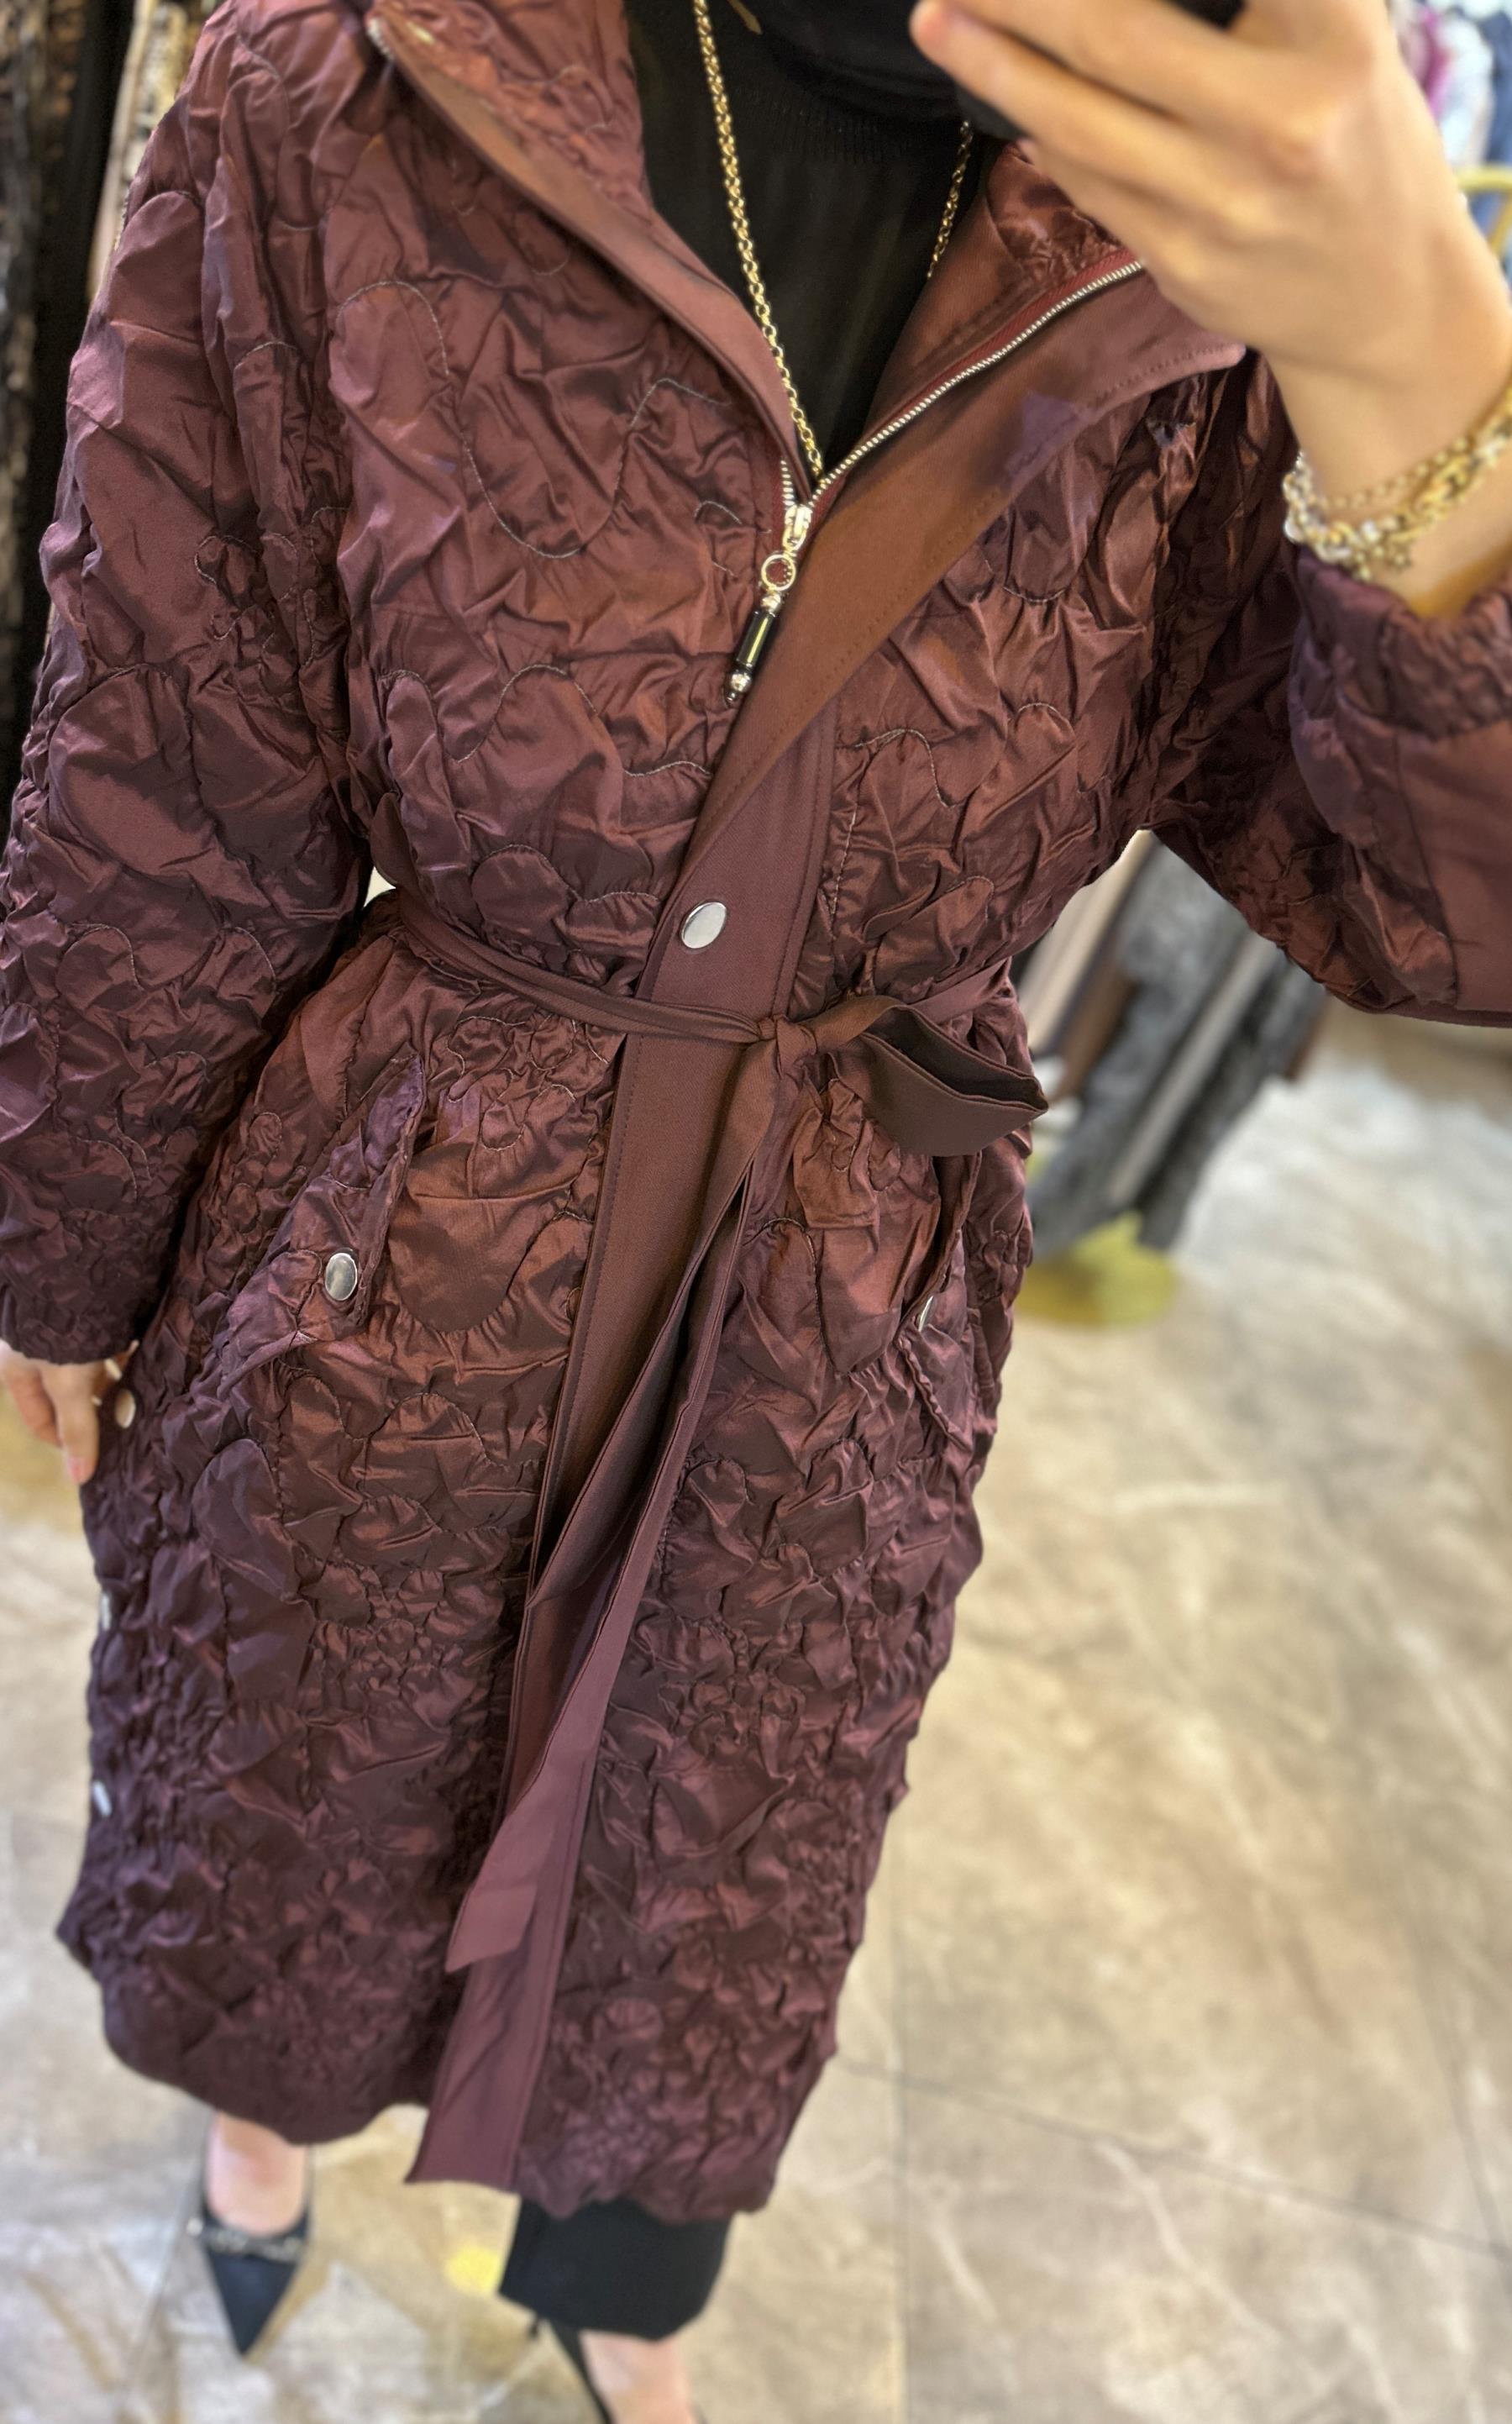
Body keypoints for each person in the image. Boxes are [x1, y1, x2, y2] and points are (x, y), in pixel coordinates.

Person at [3, 0, 1511, 2416]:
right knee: (290, 1766)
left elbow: (1443, 914)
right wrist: (62, 1252)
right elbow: (166, 777)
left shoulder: (1248, 211)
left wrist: (1429, 370)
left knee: (710, 1870)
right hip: (398, 1221)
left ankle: (626, 2295)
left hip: (828, 1308)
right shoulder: (351, 90)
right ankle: (256, 2127)